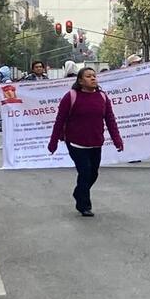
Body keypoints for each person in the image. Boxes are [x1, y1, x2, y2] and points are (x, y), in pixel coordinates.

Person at [47, 68, 124, 216]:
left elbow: (110, 120)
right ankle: (84, 205)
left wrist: (117, 139)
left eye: (94, 76)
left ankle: (79, 192)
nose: (93, 78)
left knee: (93, 173)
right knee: (85, 172)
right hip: (76, 142)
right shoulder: (71, 96)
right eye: (88, 76)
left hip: (95, 142)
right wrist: (53, 142)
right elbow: (59, 120)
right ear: (80, 81)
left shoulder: (102, 97)